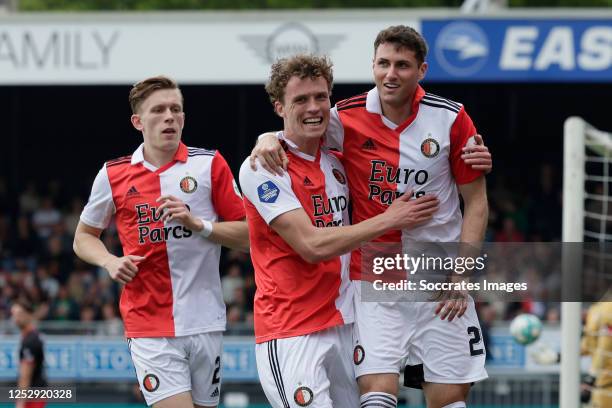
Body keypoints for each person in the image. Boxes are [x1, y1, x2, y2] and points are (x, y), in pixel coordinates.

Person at [251, 26, 490, 408]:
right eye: (383, 63)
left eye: (402, 65)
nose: (391, 74)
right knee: (377, 392)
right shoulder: (344, 118)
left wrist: (461, 274)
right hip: (375, 280)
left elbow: (476, 202)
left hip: (439, 276)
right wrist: (265, 137)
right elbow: (297, 125)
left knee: (449, 397)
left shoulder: (451, 118)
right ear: (372, 65)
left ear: (421, 70)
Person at [239, 54, 440, 408]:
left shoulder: (337, 161)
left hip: (346, 322)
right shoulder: (264, 168)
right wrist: (390, 219)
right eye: (300, 100)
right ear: (279, 107)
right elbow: (312, 246)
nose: (313, 107)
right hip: (292, 331)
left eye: (321, 97)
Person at [73, 75, 248, 408]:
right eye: (159, 110)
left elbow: (251, 238)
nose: (170, 116)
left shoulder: (209, 165)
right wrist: (110, 261)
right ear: (138, 121)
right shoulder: (113, 174)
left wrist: (198, 224)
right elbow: (83, 237)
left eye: (176, 109)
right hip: (148, 323)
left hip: (205, 320)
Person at [11, 297, 47, 408]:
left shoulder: (30, 341)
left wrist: (20, 402)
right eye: (14, 314)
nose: (16, 318)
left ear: (28, 314)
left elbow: (26, 375)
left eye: (19, 314)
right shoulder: (32, 337)